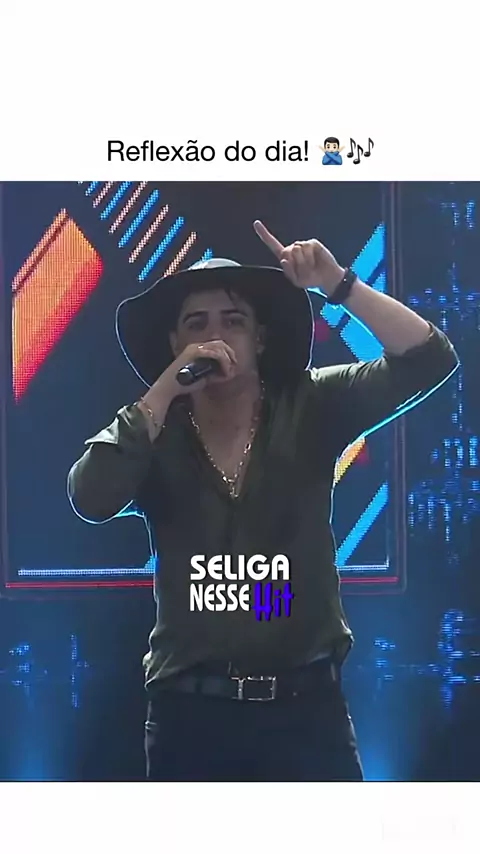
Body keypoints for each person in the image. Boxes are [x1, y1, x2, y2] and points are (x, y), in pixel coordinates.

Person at [67, 219, 459, 782]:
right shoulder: (154, 430)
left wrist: (339, 284)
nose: (214, 336)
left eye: (234, 320)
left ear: (261, 338)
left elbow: (429, 359)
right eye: (196, 324)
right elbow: (89, 495)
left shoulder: (312, 403)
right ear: (174, 345)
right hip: (190, 715)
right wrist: (164, 391)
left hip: (306, 713)